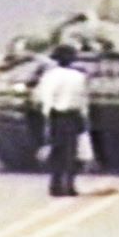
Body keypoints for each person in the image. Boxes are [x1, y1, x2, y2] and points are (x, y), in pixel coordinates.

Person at [36, 44, 89, 197]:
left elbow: (45, 98)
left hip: (55, 117)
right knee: (72, 153)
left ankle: (55, 186)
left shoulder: (49, 76)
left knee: (56, 152)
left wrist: (47, 119)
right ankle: (70, 186)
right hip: (73, 117)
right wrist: (84, 120)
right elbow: (82, 99)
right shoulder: (79, 76)